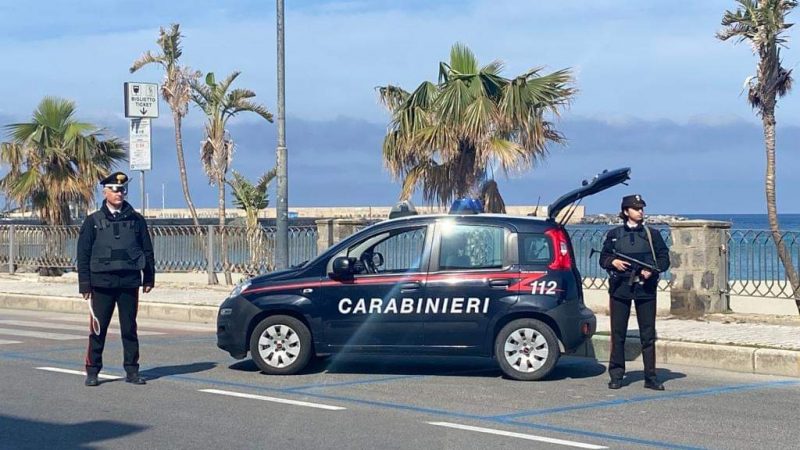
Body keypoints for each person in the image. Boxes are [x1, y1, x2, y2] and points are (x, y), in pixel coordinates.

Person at [77, 172, 155, 387]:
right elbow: (83, 254)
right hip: (101, 283)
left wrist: (149, 278)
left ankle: (132, 370)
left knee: (129, 328)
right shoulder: (93, 221)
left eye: (122, 189)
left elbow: (147, 250)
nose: (119, 193)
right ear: (105, 192)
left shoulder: (136, 219)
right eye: (115, 189)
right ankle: (93, 371)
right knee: (98, 329)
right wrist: (84, 284)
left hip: (129, 281)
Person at [599, 194, 670, 391]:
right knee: (618, 333)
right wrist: (613, 262)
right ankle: (616, 374)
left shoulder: (652, 234)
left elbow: (664, 259)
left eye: (641, 208)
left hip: (645, 289)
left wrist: (651, 270)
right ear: (625, 212)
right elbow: (603, 258)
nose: (640, 211)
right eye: (636, 208)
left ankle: (651, 376)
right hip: (620, 289)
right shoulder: (614, 234)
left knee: (647, 335)